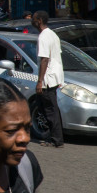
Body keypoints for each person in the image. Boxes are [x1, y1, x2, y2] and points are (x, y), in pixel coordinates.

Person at [31, 11, 65, 148]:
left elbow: (44, 59)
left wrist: (40, 81)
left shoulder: (44, 37)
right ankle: (49, 135)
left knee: (50, 110)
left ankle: (57, 139)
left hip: (48, 78)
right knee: (41, 106)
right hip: (54, 76)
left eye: (33, 19)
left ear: (39, 20)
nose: (32, 21)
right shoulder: (52, 34)